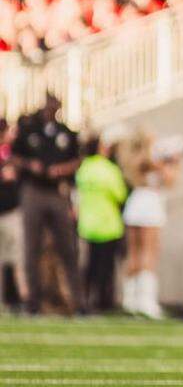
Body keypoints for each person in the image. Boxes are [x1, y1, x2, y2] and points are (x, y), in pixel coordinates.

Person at [11, 95, 83, 314]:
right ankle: (33, 302)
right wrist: (30, 165)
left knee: (68, 248)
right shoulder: (29, 131)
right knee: (32, 248)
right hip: (33, 191)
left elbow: (77, 160)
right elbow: (13, 156)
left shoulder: (67, 133)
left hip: (57, 192)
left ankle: (77, 302)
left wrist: (62, 170)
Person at [122, 135, 179, 319]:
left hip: (136, 201)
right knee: (148, 252)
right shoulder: (152, 161)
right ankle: (145, 301)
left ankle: (130, 299)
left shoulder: (136, 160)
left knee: (135, 253)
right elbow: (170, 181)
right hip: (150, 203)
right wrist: (170, 162)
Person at [74, 132, 128, 313]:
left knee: (90, 264)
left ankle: (85, 298)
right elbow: (120, 194)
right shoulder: (109, 169)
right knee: (106, 266)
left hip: (88, 223)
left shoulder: (84, 168)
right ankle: (104, 301)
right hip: (108, 223)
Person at [0, 119, 26, 311]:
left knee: (17, 259)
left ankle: (21, 298)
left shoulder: (12, 154)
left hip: (11, 212)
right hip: (7, 212)